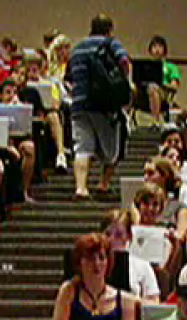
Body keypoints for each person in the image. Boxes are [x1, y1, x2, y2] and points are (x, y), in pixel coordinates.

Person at [67, 15, 132, 200]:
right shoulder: (110, 43)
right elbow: (124, 62)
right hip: (104, 106)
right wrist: (124, 85)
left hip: (79, 105)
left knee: (82, 147)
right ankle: (104, 183)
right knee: (114, 149)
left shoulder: (77, 48)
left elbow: (70, 77)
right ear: (109, 29)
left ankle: (81, 188)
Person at [50, 233, 135, 320]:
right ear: (79, 263)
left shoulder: (125, 300)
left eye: (101, 258)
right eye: (90, 258)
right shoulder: (68, 291)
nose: (96, 264)